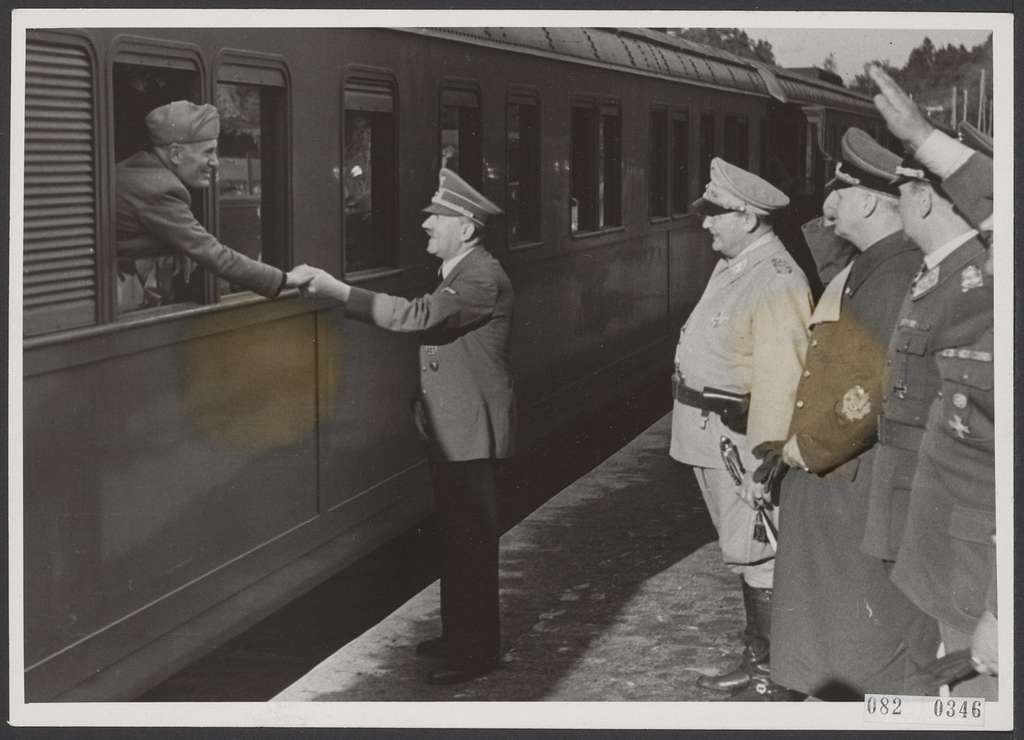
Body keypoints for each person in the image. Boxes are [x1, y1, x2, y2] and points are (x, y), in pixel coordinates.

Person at [292, 168, 514, 685]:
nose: (427, 227)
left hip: (471, 432)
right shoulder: (460, 271)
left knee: (472, 543)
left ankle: (476, 652)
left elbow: (416, 317)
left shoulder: (480, 276)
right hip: (451, 429)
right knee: (456, 537)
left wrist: (337, 291)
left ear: (467, 227)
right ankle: (459, 635)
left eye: (436, 218)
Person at [746, 128, 937, 700]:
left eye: (841, 188)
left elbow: (878, 388)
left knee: (856, 641)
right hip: (842, 483)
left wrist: (808, 447)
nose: (827, 203)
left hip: (850, 481)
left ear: (872, 200)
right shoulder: (876, 267)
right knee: (837, 632)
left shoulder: (895, 274)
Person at [869, 65, 997, 698]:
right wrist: (921, 136)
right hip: (946, 536)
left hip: (978, 559)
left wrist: (1001, 604)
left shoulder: (979, 288)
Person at [670, 157, 812, 699]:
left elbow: (784, 380)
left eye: (716, 213)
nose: (706, 223)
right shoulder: (737, 264)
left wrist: (765, 460)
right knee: (744, 553)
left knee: (762, 554)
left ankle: (772, 674)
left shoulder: (776, 279)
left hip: (740, 443)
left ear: (750, 218)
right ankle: (758, 661)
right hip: (711, 436)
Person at [116, 100, 307, 311]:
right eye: (208, 152)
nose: (215, 162)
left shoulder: (139, 170)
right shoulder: (159, 189)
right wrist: (285, 279)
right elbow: (213, 254)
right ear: (176, 154)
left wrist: (175, 244)